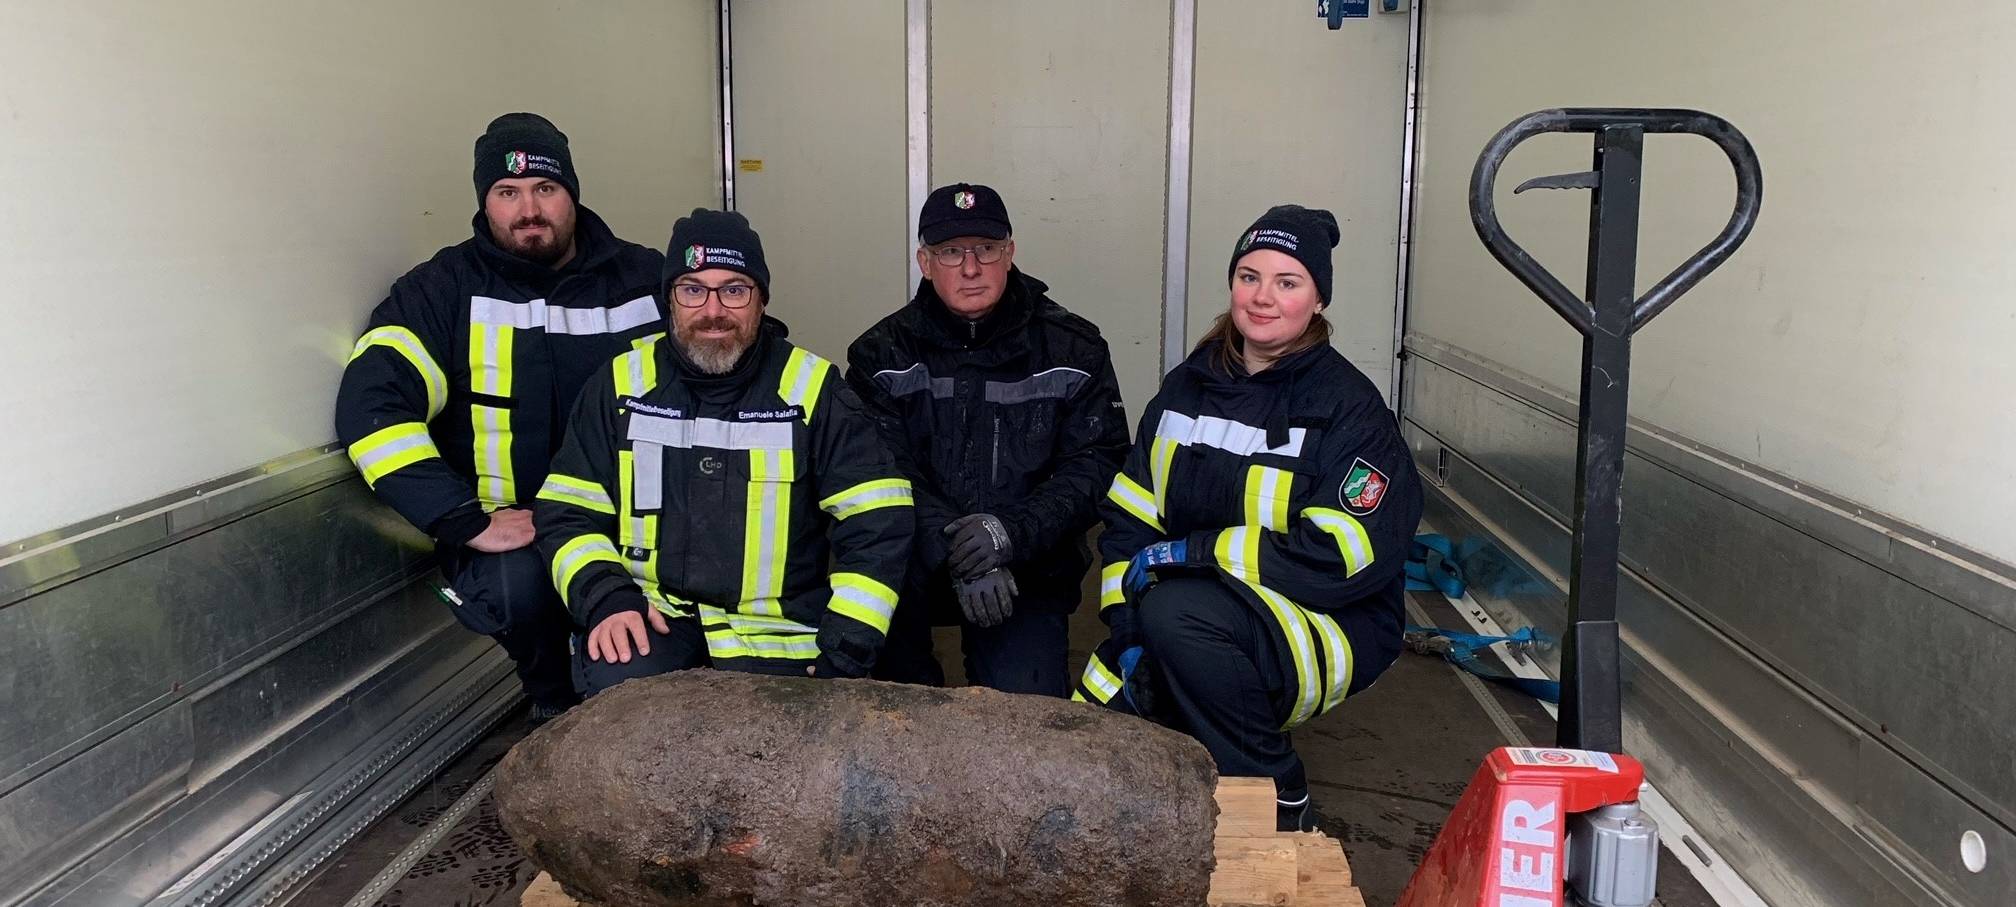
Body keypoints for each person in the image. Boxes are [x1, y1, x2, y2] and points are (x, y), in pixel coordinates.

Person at [1075, 205, 1422, 831]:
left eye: (1288, 282)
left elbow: (1343, 556)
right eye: (1249, 277)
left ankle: (1277, 793)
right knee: (1095, 726)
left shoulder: (1347, 407)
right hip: (1195, 610)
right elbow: (1130, 517)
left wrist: (1196, 555)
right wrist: (1125, 624)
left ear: (1318, 299)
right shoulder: (1186, 388)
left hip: (1332, 617)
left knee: (1177, 617)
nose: (1263, 298)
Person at [336, 113, 665, 719]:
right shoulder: (441, 290)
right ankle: (552, 705)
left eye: (546, 188)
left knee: (643, 670)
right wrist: (462, 518)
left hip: (637, 527)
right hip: (515, 531)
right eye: (507, 192)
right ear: (484, 202)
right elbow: (373, 407)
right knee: (521, 593)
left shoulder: (647, 279)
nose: (528, 210)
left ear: (572, 193)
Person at [533, 209, 913, 693]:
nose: (713, 310)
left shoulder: (813, 390)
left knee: (786, 737)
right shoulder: (620, 385)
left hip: (781, 635)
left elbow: (879, 521)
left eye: (734, 290)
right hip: (655, 615)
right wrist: (607, 597)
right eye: (693, 290)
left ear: (761, 300)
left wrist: (849, 644)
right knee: (618, 692)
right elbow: (567, 511)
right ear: (669, 300)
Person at [846, 183, 1128, 697]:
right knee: (893, 710)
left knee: (1025, 717)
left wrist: (1009, 533)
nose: (971, 268)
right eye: (951, 252)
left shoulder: (1072, 348)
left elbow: (1097, 462)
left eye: (986, 249)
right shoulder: (880, 355)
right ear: (925, 263)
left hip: (1027, 563)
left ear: (1010, 253)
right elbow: (881, 470)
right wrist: (957, 546)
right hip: (911, 563)